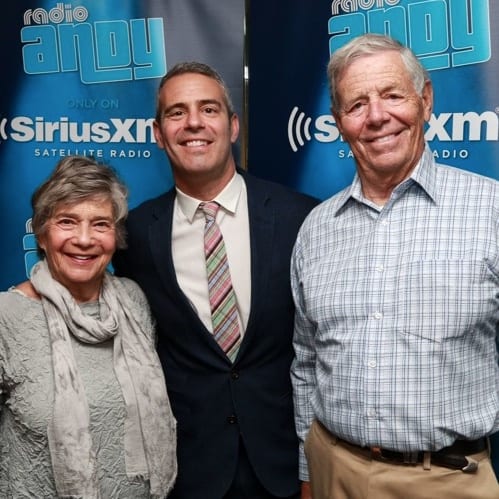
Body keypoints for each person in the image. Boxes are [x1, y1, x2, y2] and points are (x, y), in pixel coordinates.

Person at [291, 33, 499, 499]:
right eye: (357, 104)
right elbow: (306, 363)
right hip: (333, 471)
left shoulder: (491, 211)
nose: (377, 116)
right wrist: (310, 470)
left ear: (425, 101)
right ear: (339, 123)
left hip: (445, 481)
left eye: (392, 95)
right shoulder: (316, 229)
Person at [112, 61, 318, 499]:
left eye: (208, 109)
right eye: (176, 112)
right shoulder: (134, 235)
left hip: (286, 467)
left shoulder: (301, 217)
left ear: (233, 124)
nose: (193, 123)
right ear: (157, 132)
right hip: (188, 471)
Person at [0, 156, 177, 498]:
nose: (84, 239)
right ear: (41, 233)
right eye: (67, 222)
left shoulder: (133, 302)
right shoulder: (8, 317)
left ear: (116, 236)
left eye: (100, 224)